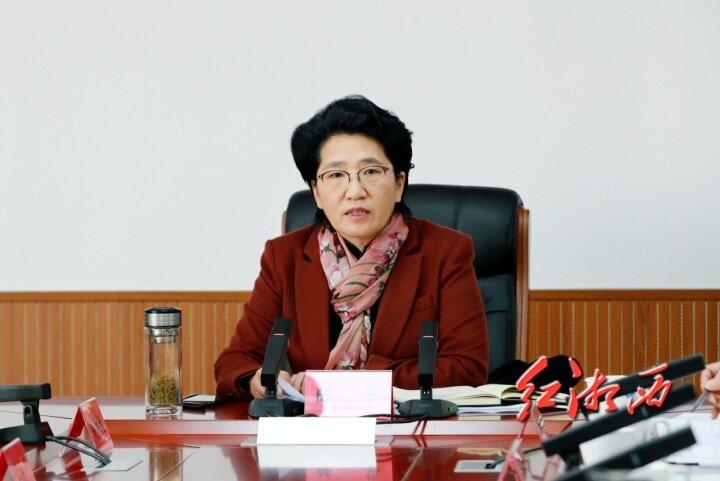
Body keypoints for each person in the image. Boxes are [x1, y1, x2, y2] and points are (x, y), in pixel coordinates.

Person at [214, 95, 488, 399]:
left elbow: (467, 368)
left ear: (399, 183)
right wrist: (257, 380)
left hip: (406, 424)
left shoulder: (445, 252)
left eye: (371, 172)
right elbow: (234, 362)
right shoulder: (284, 257)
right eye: (335, 175)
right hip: (312, 425)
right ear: (316, 192)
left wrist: (347, 385)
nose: (355, 191)